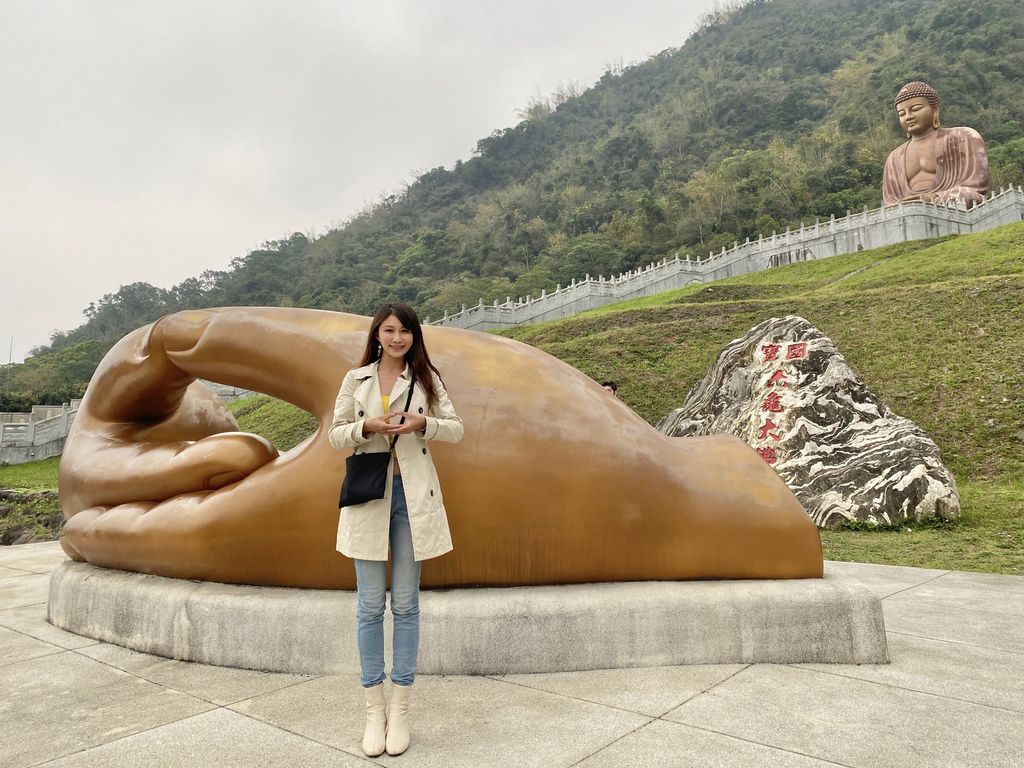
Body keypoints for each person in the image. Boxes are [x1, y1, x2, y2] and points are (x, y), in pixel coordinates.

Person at [328, 302, 463, 757]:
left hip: (412, 499)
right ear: (377, 334)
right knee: (368, 606)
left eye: (404, 331)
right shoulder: (356, 379)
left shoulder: (427, 378)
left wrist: (425, 424)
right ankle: (374, 709)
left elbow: (457, 429)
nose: (397, 338)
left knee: (405, 604)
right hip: (369, 499)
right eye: (389, 330)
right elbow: (335, 433)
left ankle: (401, 708)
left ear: (414, 335)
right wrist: (367, 425)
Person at [881, 81, 988, 209]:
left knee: (963, 195)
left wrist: (934, 197)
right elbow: (891, 201)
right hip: (909, 209)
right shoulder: (894, 158)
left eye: (915, 109)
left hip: (949, 199)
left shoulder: (963, 136)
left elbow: (975, 184)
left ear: (935, 109)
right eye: (902, 114)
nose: (908, 117)